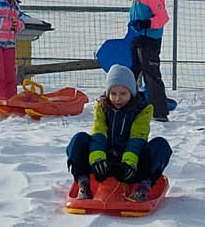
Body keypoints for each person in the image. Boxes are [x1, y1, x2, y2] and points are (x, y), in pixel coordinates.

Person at [66, 64, 172, 202]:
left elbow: (138, 137)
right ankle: (83, 184)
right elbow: (99, 132)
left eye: (123, 94)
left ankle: (144, 187)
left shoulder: (142, 109)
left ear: (131, 93)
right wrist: (97, 157)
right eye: (113, 94)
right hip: (104, 162)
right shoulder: (102, 107)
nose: (117, 99)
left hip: (131, 165)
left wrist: (129, 162)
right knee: (79, 139)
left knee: (161, 145)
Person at [119, 0, 170, 120]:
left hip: (149, 41)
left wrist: (145, 23)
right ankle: (128, 107)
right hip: (138, 38)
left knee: (151, 75)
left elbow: (163, 18)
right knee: (131, 73)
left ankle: (159, 113)